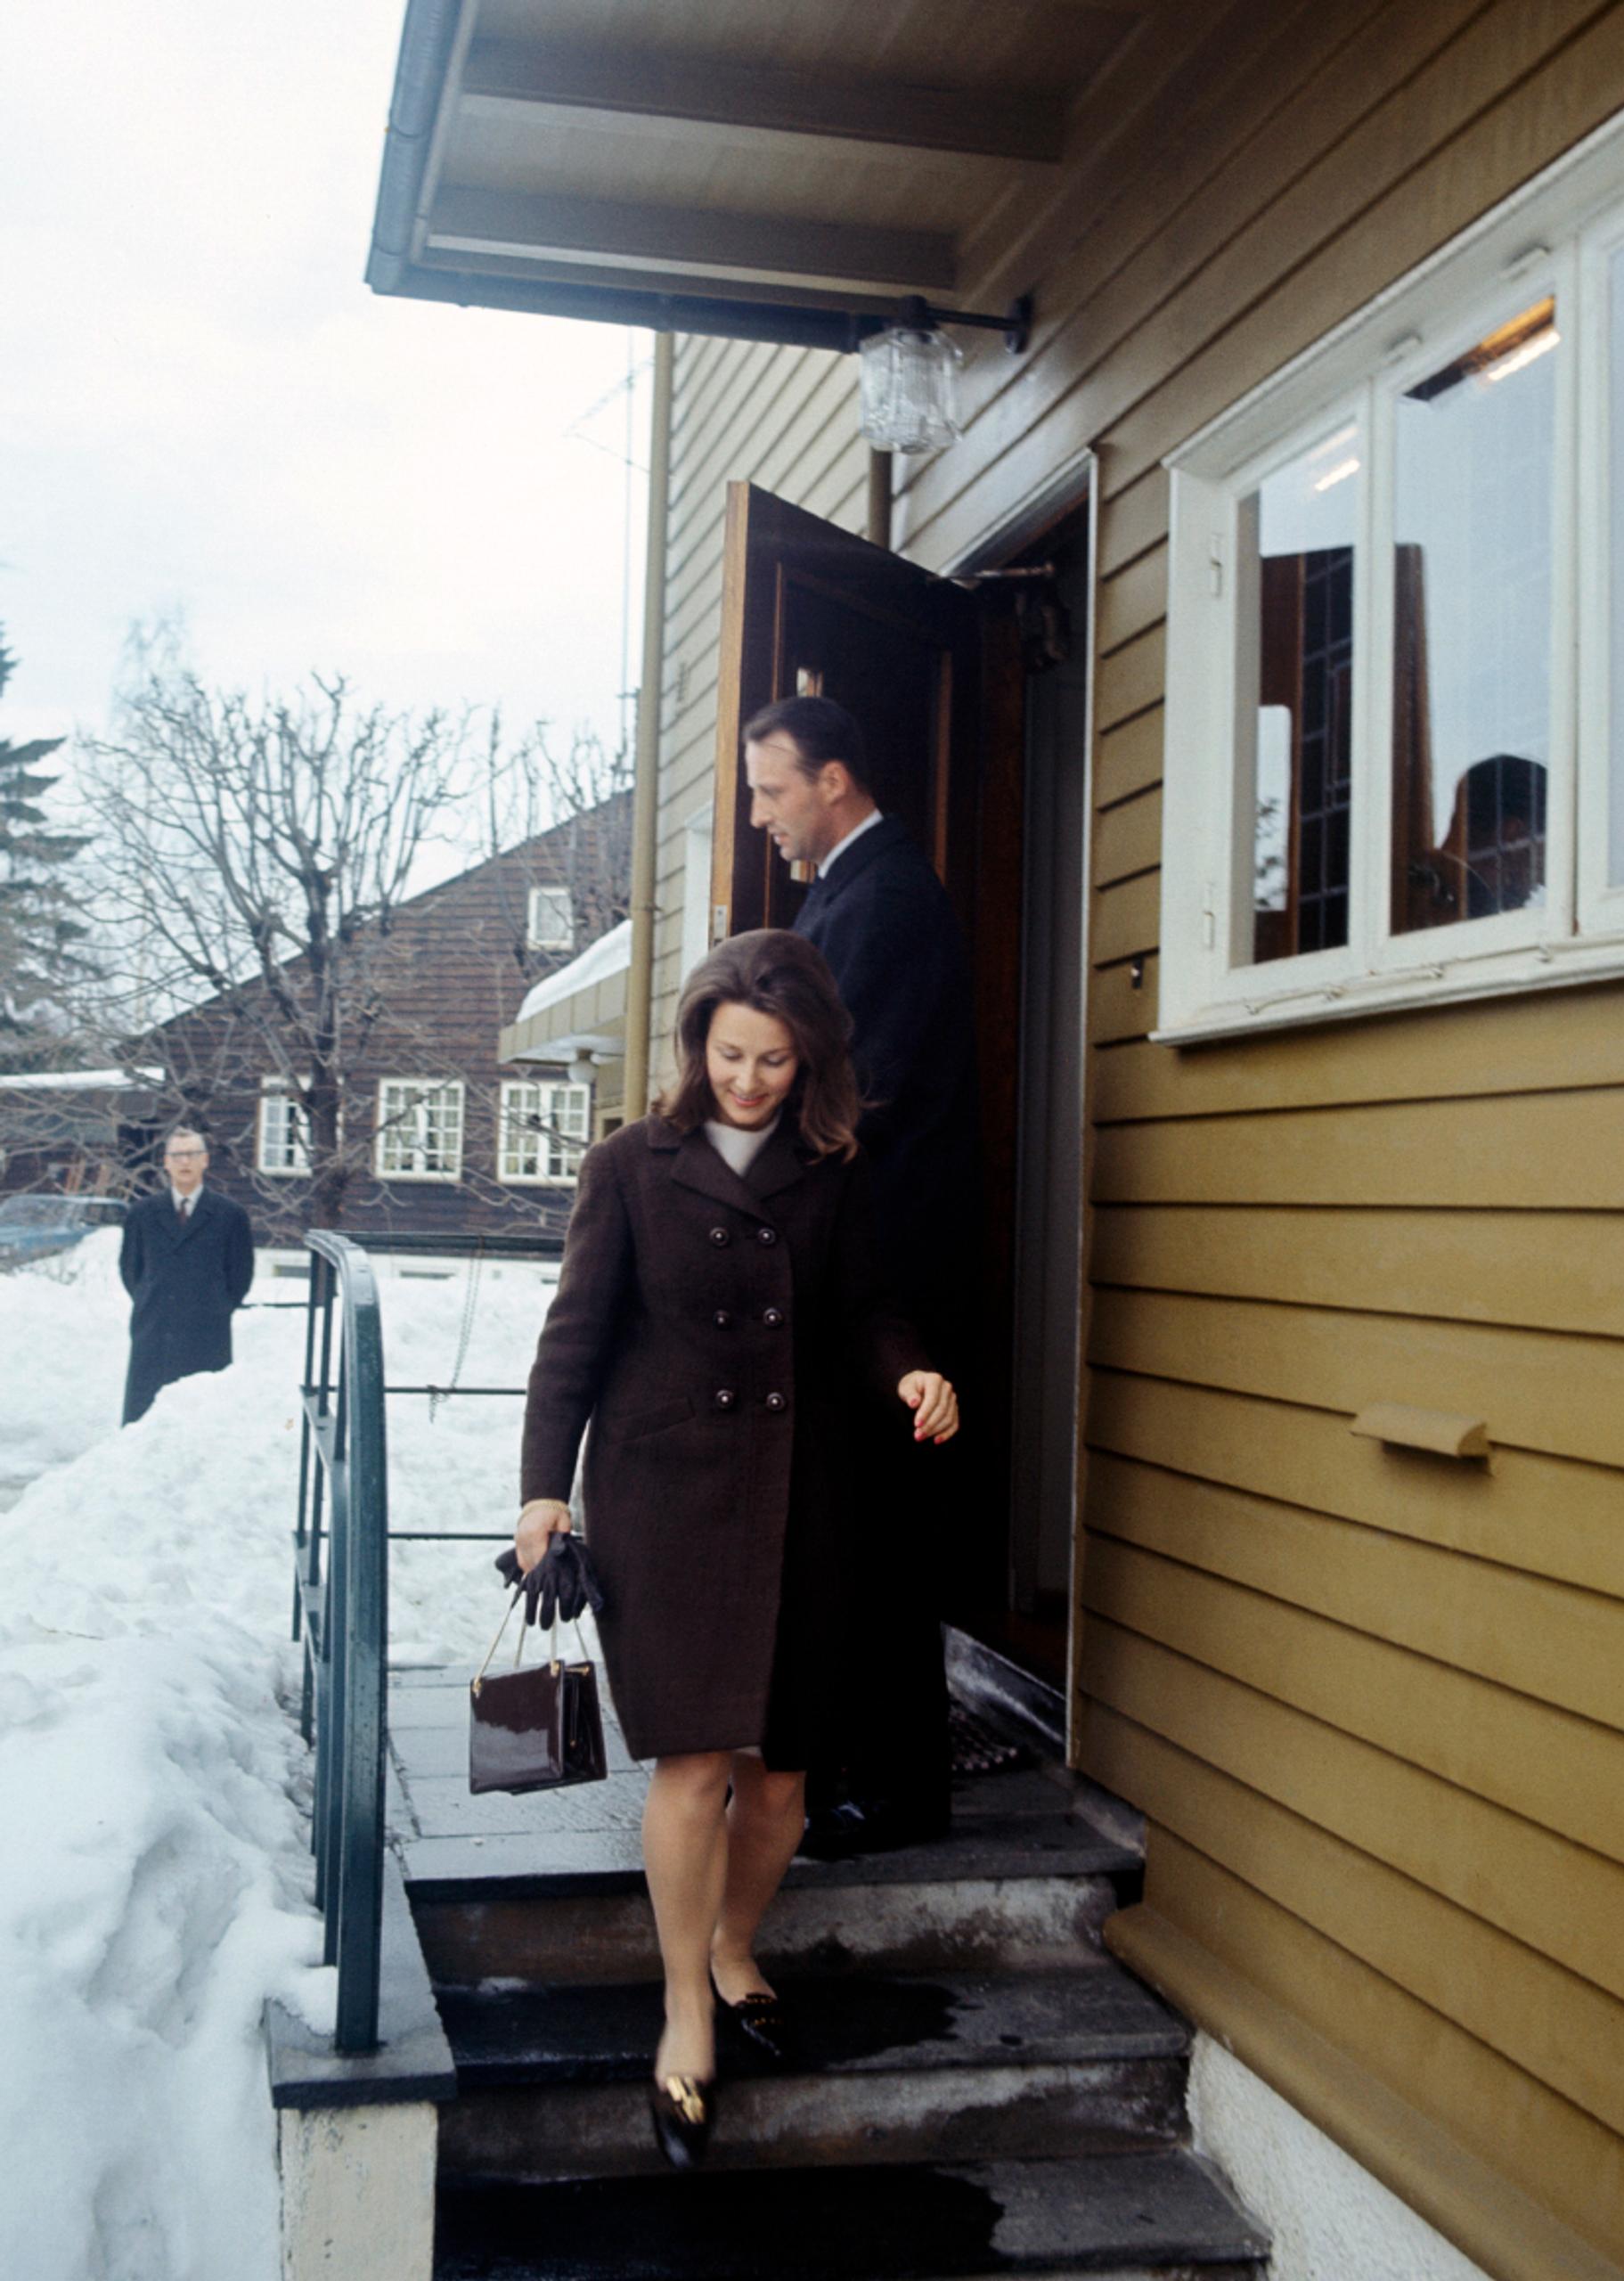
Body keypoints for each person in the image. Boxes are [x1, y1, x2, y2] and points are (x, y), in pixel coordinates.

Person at [514, 929, 959, 2171]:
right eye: (729, 1055)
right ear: (694, 1047)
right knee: (696, 1762)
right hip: (667, 1501)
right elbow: (571, 1342)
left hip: (804, 1498)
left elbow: (866, 1309)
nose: (749, 1080)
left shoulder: (833, 1171)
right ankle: (685, 2005)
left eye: (773, 1059)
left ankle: (734, 1942)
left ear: (808, 1060)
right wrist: (542, 1490)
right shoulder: (628, 1167)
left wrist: (910, 1370)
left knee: (781, 1778)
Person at [744, 694, 981, 1857]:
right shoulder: (843, 892)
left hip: (886, 1270)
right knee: (847, 1526)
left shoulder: (885, 898)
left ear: (832, 780)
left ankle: (895, 1793)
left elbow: (855, 1094)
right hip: (854, 1261)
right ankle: (839, 1767)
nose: (759, 816)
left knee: (884, 1531)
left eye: (771, 790)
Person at [118, 1127, 255, 1423]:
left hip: (206, 1332)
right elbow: (131, 1269)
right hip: (155, 1329)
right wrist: (151, 1299)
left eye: (192, 1154)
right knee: (144, 1423)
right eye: (177, 1155)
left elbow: (240, 1275)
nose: (185, 1162)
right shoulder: (142, 1214)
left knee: (201, 1422)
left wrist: (216, 1306)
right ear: (166, 1162)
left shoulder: (230, 1215)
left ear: (205, 1160)